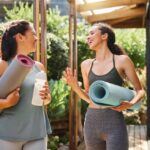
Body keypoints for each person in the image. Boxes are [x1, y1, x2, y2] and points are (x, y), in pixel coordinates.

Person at [63, 23, 145, 150]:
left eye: (92, 33)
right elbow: (90, 97)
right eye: (87, 34)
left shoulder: (122, 60)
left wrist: (130, 103)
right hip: (91, 122)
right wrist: (75, 87)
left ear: (104, 36)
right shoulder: (86, 65)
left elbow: (140, 91)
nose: (88, 37)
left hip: (114, 121)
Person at [0, 20, 51, 150]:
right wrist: (6, 103)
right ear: (20, 37)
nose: (37, 38)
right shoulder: (2, 65)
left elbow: (47, 99)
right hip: (7, 134)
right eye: (33, 34)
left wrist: (46, 97)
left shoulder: (39, 66)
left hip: (37, 133)